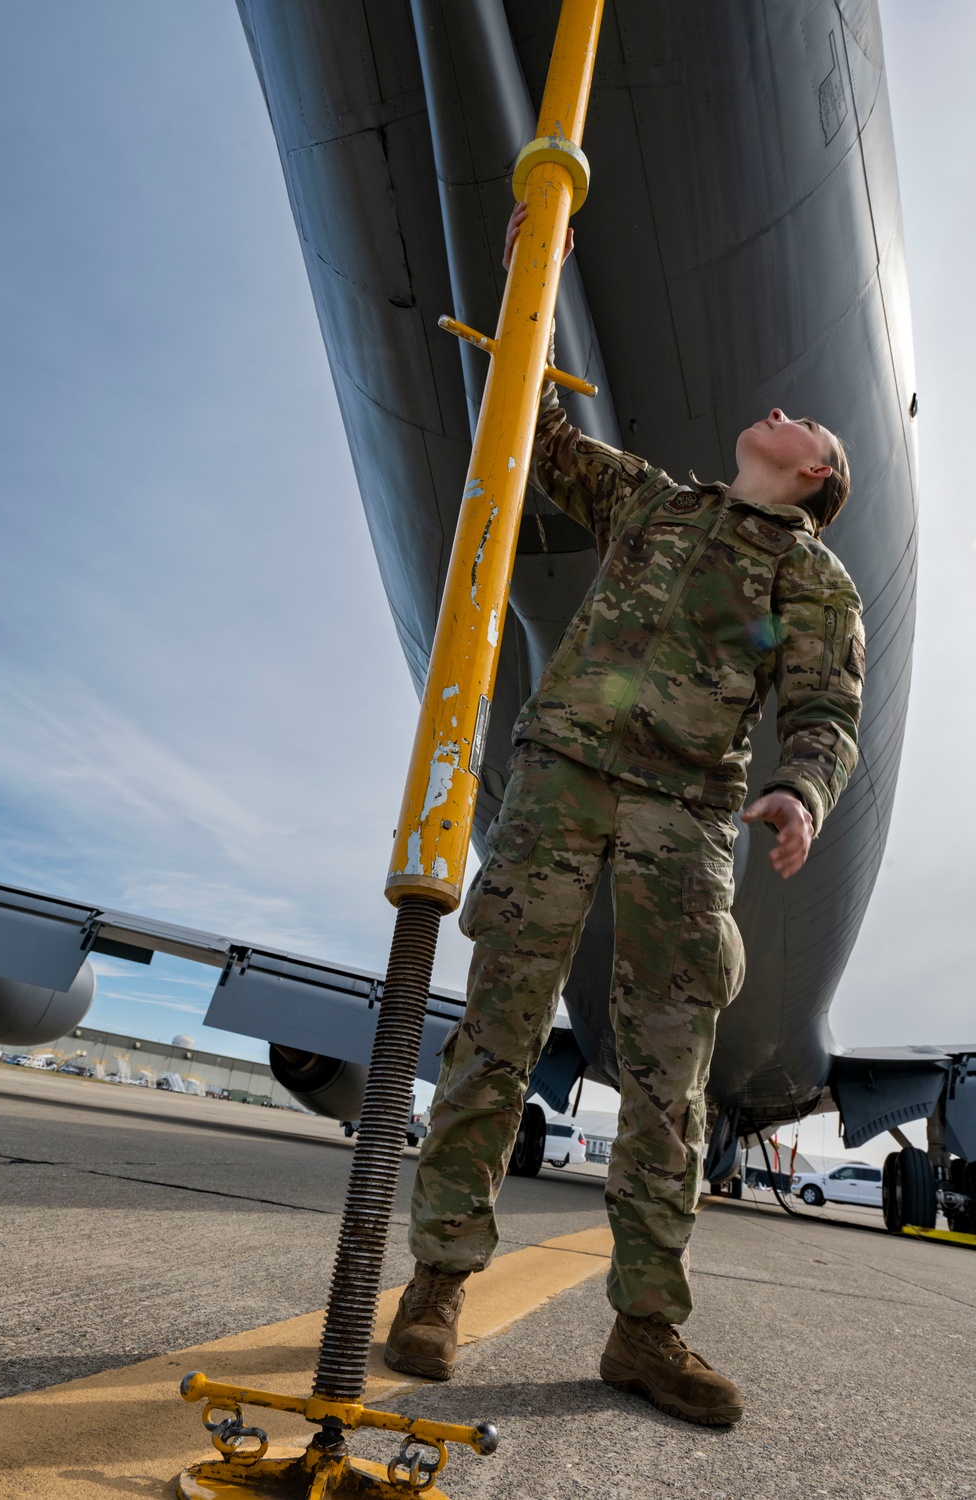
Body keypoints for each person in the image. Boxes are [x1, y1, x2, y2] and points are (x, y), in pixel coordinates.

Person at [384, 202, 864, 1426]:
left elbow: (822, 715)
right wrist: (528, 286)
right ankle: (437, 1284)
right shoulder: (653, 503)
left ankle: (646, 1331)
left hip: (689, 819)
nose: (784, 411)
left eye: (805, 424)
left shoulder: (813, 579)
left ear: (815, 476)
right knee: (498, 1023)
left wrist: (800, 795)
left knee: (668, 1078)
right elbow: (537, 436)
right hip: (564, 775)